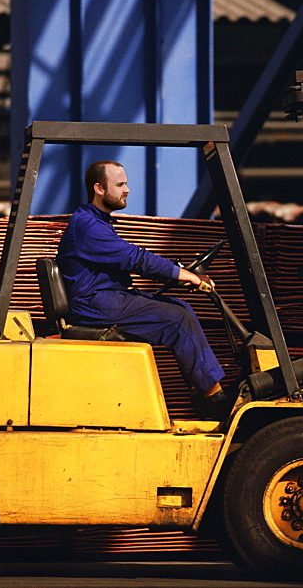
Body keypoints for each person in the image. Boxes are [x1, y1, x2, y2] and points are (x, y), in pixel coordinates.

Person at [56, 160, 232, 420]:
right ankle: (213, 398)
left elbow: (131, 259)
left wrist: (180, 272)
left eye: (126, 183)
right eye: (120, 184)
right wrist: (182, 274)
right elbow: (135, 259)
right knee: (177, 319)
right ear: (99, 189)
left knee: (179, 308)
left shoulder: (96, 222)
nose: (127, 189)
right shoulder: (88, 227)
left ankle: (201, 391)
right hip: (95, 303)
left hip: (108, 297)